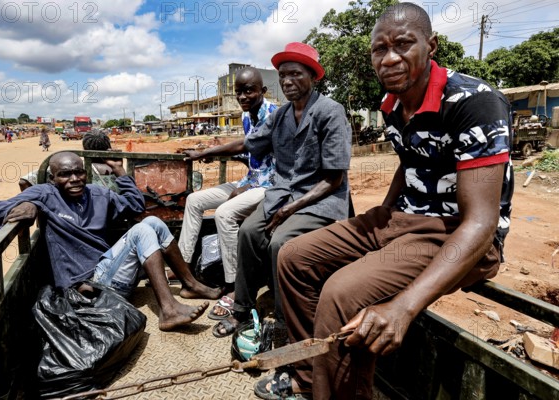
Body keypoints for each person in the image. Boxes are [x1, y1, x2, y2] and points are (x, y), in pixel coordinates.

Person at [263, 4, 514, 399]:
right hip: (403, 219)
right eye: (380, 49)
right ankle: (311, 378)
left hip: (455, 231)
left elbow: (481, 223)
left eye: (403, 44)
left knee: (341, 294)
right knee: (293, 256)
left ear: (430, 45)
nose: (390, 57)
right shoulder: (392, 105)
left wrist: (404, 307)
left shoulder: (474, 101)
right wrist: (381, 218)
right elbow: (411, 162)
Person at [0, 151, 222, 331]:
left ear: (85, 173)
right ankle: (168, 310)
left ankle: (190, 284)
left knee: (153, 223)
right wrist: (26, 204)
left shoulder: (98, 193)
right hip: (87, 289)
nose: (74, 178)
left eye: (78, 172)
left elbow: (136, 206)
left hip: (111, 276)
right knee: (141, 231)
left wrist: (120, 172)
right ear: (52, 179)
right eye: (65, 174)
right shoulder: (45, 194)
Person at [211, 42, 352, 340]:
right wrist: (207, 151)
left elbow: (334, 180)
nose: (288, 81)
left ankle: (284, 320)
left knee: (280, 243)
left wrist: (290, 209)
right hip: (283, 194)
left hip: (320, 200)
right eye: (283, 75)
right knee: (249, 232)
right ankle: (241, 309)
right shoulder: (281, 115)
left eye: (296, 74)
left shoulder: (330, 112)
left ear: (313, 76)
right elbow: (249, 144)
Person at [179, 67, 278, 320]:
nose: (243, 97)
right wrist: (217, 152)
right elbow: (250, 154)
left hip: (270, 185)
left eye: (249, 91)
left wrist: (205, 154)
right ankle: (184, 268)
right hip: (251, 179)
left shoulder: (274, 115)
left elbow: (270, 158)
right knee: (194, 200)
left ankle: (235, 285)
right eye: (238, 92)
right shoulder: (247, 117)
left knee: (224, 213)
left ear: (262, 91)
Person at [18, 130, 117, 192]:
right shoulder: (119, 170)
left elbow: (23, 182)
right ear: (108, 147)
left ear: (84, 148)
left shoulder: (72, 168)